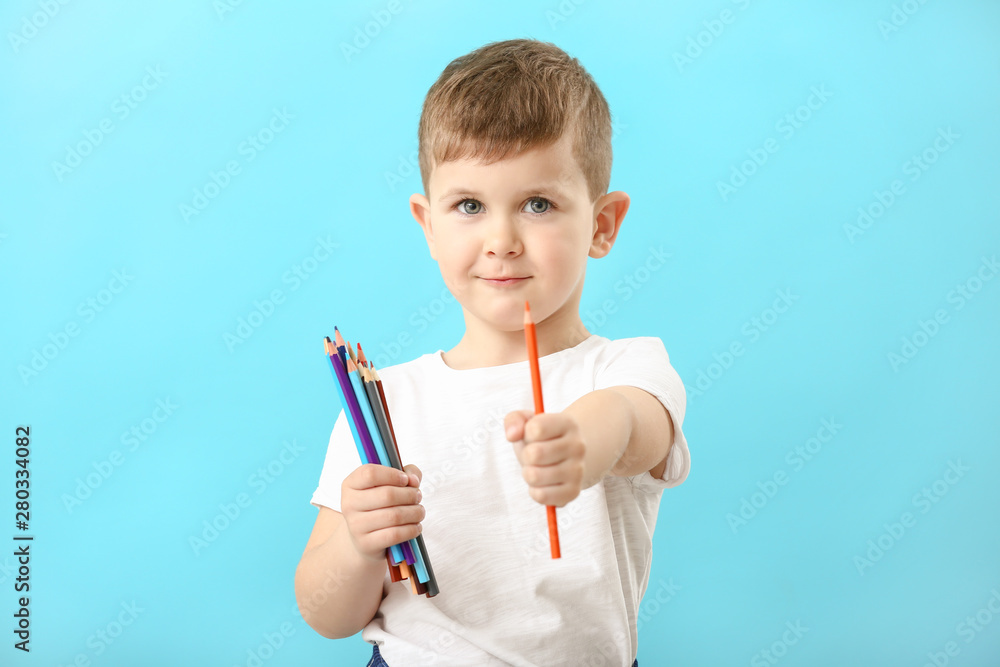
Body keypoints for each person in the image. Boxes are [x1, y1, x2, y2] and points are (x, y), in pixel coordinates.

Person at [294, 38, 691, 666]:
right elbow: (326, 614)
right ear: (428, 224)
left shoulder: (627, 368)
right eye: (470, 206)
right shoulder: (383, 402)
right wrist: (356, 541)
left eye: (538, 204)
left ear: (602, 225)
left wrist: (585, 440)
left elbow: (637, 425)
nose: (501, 239)